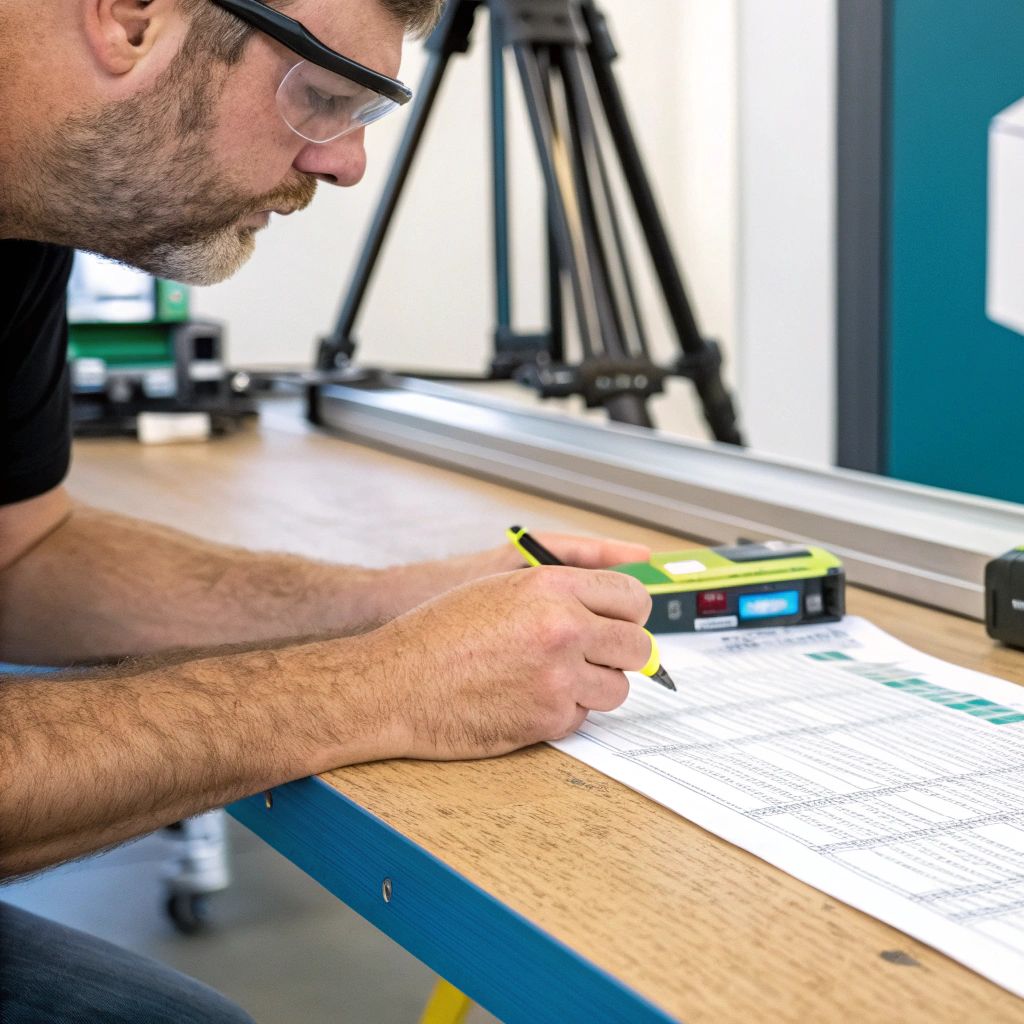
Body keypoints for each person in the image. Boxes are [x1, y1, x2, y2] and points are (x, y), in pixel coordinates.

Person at [0, 2, 657, 1019]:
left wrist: (400, 601)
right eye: (323, 96)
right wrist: (377, 685)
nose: (348, 165)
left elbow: (21, 557)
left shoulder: (29, 203)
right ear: (129, 19)